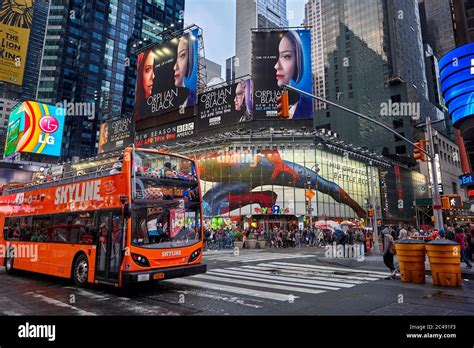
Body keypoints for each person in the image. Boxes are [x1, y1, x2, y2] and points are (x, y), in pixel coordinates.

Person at [274, 30, 312, 119]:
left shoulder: (307, 105)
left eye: (286, 56)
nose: (276, 66)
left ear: (298, 59)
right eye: (277, 56)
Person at [173, 33, 196, 108]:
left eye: (182, 55)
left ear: (190, 58)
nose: (175, 67)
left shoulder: (192, 99)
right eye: (173, 58)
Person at [134, 49, 156, 120]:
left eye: (156, 69)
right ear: (141, 74)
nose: (153, 76)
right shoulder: (138, 115)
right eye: (148, 69)